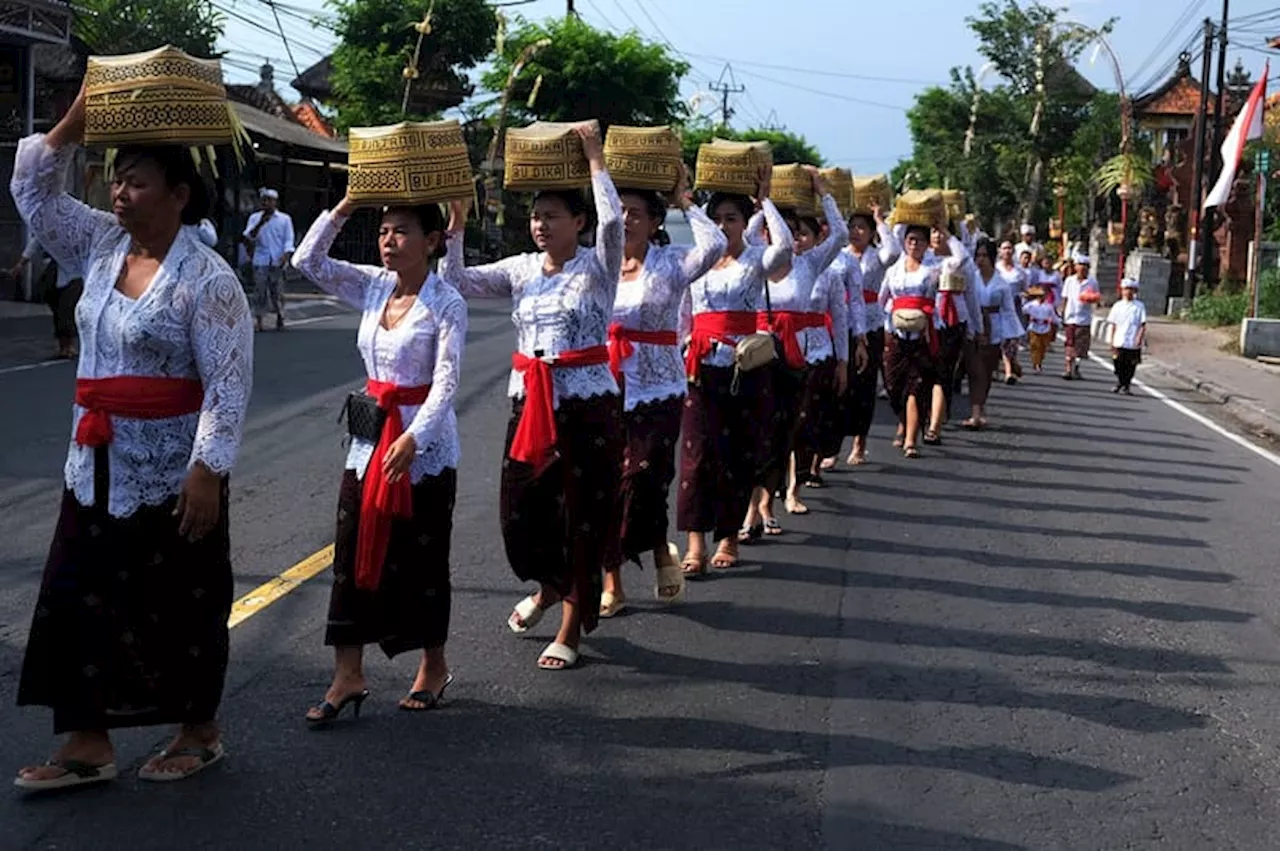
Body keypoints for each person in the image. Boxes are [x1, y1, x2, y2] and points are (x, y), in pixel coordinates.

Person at [11, 85, 253, 790]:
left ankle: (198, 728)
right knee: (77, 594)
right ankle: (88, 741)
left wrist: (207, 469)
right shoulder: (100, 242)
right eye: (116, 177)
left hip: (175, 471)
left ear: (178, 194)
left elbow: (229, 383)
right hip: (93, 461)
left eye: (137, 181)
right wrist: (74, 120)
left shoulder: (207, 280)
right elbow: (31, 190)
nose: (119, 191)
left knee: (180, 601)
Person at [439, 123, 622, 672]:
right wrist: (455, 229)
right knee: (521, 514)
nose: (540, 225)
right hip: (530, 405)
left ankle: (570, 622)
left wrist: (594, 156)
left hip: (586, 406)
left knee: (580, 516)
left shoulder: (598, 267)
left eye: (553, 216)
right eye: (536, 216)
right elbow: (459, 282)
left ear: (579, 222)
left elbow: (614, 223)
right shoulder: (520, 269)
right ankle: (548, 587)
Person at [292, 193, 466, 719]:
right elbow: (307, 262)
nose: (389, 240)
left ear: (432, 241)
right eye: (385, 230)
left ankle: (432, 665)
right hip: (370, 440)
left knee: (421, 557)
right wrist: (346, 204)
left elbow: (446, 381)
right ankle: (348, 673)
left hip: (423, 448)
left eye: (403, 231)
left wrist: (416, 439)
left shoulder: (446, 302)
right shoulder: (371, 287)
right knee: (351, 551)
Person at [599, 166, 726, 618]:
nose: (626, 220)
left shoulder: (671, 266)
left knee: (646, 480)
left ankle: (656, 546)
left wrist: (684, 199)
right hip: (604, 387)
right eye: (619, 211)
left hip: (659, 387)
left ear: (656, 222)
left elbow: (715, 246)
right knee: (608, 487)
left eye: (636, 212)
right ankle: (613, 581)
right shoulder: (598, 265)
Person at [676, 168, 791, 573]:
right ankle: (694, 544)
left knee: (736, 454)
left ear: (746, 224)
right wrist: (686, 202)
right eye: (718, 218)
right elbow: (683, 315)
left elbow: (786, 247)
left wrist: (765, 201)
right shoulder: (697, 261)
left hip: (744, 368)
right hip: (700, 367)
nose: (724, 226)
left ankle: (728, 537)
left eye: (732, 219)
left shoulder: (757, 259)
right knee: (695, 456)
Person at [742, 169, 847, 528]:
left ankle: (771, 502)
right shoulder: (756, 257)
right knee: (754, 432)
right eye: (777, 230)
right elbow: (745, 232)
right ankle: (752, 507)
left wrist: (824, 194)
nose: (786, 237)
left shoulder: (810, 265)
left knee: (784, 431)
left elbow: (841, 235)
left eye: (790, 230)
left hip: (793, 358)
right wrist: (762, 201)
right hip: (755, 355)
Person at [823, 205, 898, 467]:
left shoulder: (877, 257)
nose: (856, 232)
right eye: (852, 226)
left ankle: (860, 443)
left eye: (862, 227)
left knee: (864, 386)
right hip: (841, 323)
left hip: (871, 324)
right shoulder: (839, 256)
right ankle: (831, 447)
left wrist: (880, 220)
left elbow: (894, 252)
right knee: (837, 386)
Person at [879, 220, 947, 458]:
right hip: (896, 331)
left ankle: (910, 439)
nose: (915, 244)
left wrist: (947, 230)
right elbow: (882, 299)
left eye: (920, 240)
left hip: (922, 333)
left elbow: (958, 261)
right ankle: (903, 420)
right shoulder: (893, 270)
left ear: (927, 245)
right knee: (893, 384)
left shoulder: (933, 269)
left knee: (916, 387)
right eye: (911, 240)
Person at [922, 225, 979, 445]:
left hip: (953, 322)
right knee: (926, 370)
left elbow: (971, 296)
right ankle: (926, 413)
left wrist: (976, 328)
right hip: (927, 320)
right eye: (933, 231)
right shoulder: (924, 259)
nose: (937, 236)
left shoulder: (960, 262)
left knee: (944, 371)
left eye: (941, 232)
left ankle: (935, 423)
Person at [964, 237, 1018, 429]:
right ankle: (975, 412)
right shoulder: (970, 279)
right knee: (974, 370)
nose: (981, 260)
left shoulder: (1002, 284)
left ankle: (980, 406)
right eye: (978, 256)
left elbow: (1009, 310)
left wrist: (1011, 336)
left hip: (993, 328)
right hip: (972, 326)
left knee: (986, 370)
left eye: (985, 256)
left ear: (993, 257)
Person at [9, 233, 83, 359]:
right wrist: (20, 264)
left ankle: (69, 345)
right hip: (57, 270)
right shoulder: (47, 229)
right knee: (57, 306)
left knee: (67, 307)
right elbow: (35, 244)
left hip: (74, 272)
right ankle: (63, 344)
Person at [242, 187, 295, 332]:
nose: (266, 203)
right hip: (261, 260)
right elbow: (248, 236)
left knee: (277, 291)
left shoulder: (284, 219)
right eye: (264, 200)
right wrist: (260, 223)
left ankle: (280, 315)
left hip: (277, 259)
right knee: (259, 291)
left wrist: (286, 254)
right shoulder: (255, 218)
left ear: (275, 202)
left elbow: (288, 240)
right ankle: (259, 320)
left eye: (269, 200)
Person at [1060, 253, 1100, 380]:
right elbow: (1065, 297)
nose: (1082, 268)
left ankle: (1076, 367)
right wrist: (1063, 312)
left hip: (1084, 318)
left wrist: (1090, 298)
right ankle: (1067, 368)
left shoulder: (1092, 282)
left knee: (1080, 347)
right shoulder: (1069, 280)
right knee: (1070, 344)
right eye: (1080, 265)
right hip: (1071, 316)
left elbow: (1096, 298)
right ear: (1075, 267)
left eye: (1085, 266)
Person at [994, 239, 1028, 384]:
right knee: (997, 341)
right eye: (1004, 248)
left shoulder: (1020, 272)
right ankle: (998, 369)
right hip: (996, 309)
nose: (1007, 251)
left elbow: (1025, 290)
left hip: (1013, 310)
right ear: (1000, 251)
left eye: (1009, 248)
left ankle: (1009, 371)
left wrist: (1023, 296)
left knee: (1011, 342)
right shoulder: (995, 270)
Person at [1107, 278, 1147, 394]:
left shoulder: (1139, 306)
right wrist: (1111, 340)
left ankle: (1126, 385)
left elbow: (1142, 324)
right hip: (1119, 339)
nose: (1128, 292)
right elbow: (1113, 324)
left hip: (1132, 341)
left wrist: (1139, 338)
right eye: (1126, 289)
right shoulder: (1117, 306)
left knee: (1130, 365)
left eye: (1131, 289)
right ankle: (1121, 381)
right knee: (1118, 364)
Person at [1022, 284, 1058, 373]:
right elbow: (1023, 310)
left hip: (1045, 328)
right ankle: (1036, 363)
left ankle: (1039, 362)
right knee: (1035, 345)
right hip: (1034, 327)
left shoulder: (1048, 306)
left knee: (1042, 347)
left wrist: (1058, 322)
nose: (1040, 297)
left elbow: (1054, 317)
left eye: (1042, 296)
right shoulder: (1031, 305)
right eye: (1039, 296)